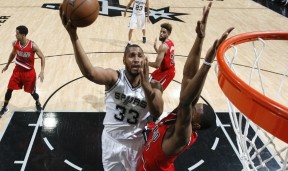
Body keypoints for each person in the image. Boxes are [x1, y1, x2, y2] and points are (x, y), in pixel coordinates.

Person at [59, 7, 163, 171]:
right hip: (111, 140)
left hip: (136, 144)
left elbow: (157, 112)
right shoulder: (114, 77)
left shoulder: (155, 84)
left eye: (140, 55)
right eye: (131, 55)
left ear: (145, 60)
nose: (136, 59)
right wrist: (73, 36)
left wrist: (146, 87)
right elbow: (90, 72)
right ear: (124, 60)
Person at [137, 3, 234, 170]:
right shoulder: (183, 120)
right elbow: (188, 77)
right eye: (196, 105)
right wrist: (200, 38)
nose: (193, 106)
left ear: (195, 126)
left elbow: (186, 101)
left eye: (195, 109)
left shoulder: (182, 134)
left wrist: (208, 63)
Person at [0, 25, 45, 117]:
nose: (15, 35)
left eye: (17, 33)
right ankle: (4, 107)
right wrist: (7, 65)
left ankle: (38, 103)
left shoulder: (33, 45)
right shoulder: (15, 44)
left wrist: (42, 71)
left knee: (32, 93)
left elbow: (42, 57)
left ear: (23, 35)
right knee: (9, 90)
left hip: (29, 74)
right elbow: (12, 54)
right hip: (17, 72)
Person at [149, 23, 175, 91]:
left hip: (167, 72)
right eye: (161, 31)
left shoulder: (163, 46)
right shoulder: (170, 42)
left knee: (156, 91)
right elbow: (164, 56)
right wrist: (155, 48)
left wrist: (145, 62)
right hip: (162, 69)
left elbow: (156, 65)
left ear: (168, 34)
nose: (161, 33)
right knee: (149, 81)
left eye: (164, 32)